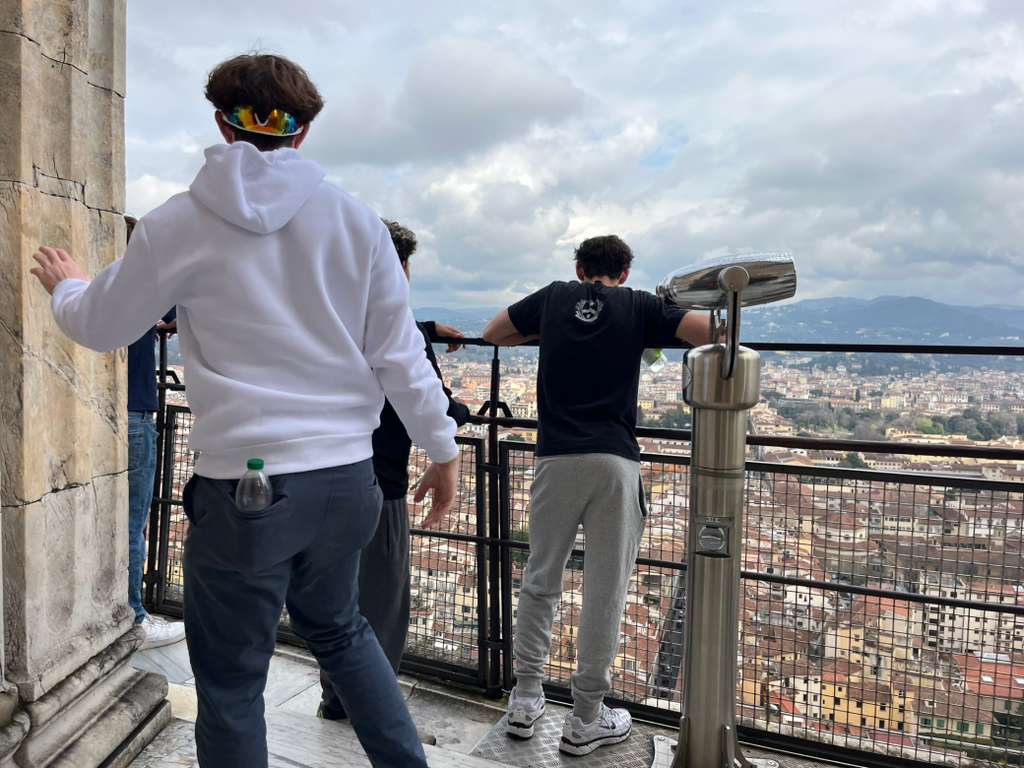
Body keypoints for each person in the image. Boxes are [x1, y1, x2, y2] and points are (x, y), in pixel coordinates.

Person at [29, 53, 459, 768]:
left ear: (223, 125)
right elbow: (400, 356)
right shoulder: (357, 224)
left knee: (231, 680)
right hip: (345, 479)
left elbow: (103, 325)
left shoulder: (177, 223)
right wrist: (441, 450)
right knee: (344, 633)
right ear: (304, 131)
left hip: (246, 486)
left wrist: (68, 287)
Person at [482, 235, 712, 756]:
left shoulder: (554, 297)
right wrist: (657, 316)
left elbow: (494, 332)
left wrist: (551, 331)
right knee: (605, 590)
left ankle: (525, 698)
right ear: (624, 273)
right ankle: (586, 718)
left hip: (556, 457)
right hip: (613, 459)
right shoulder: (639, 305)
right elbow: (709, 332)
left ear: (580, 268)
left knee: (540, 578)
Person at [317, 219, 471, 720]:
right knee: (381, 606)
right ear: (398, 267)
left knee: (334, 600)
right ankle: (371, 709)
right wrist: (456, 425)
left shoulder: (323, 315)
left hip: (316, 477)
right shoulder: (398, 329)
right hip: (378, 485)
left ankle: (334, 696)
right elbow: (430, 402)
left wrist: (426, 328)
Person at [123, 215, 186, 649]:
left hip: (100, 416)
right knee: (133, 523)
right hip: (134, 415)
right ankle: (134, 617)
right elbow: (183, 302)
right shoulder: (144, 287)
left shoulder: (100, 292)